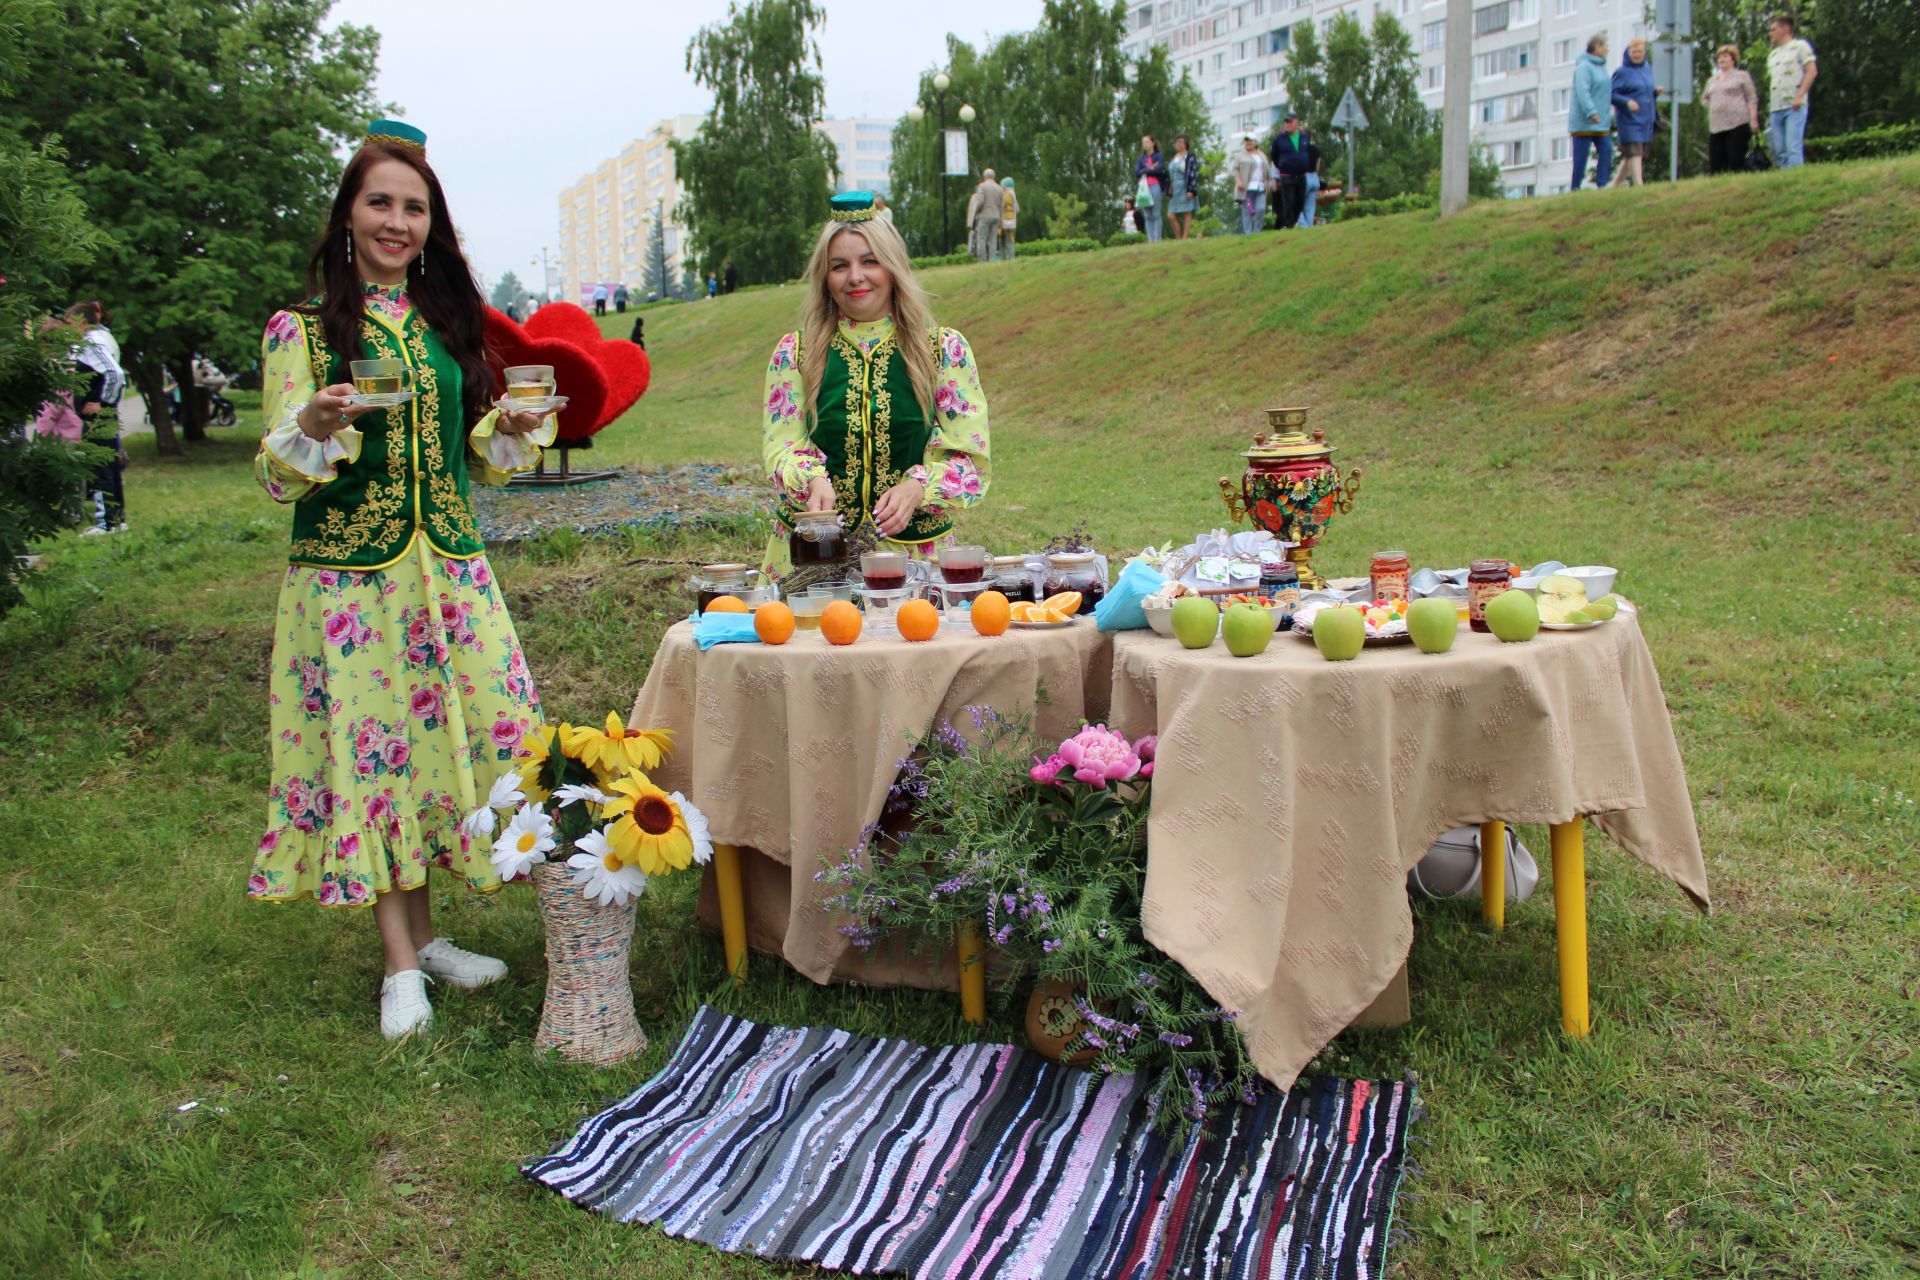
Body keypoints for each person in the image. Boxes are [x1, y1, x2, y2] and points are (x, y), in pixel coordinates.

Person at [247, 119, 556, 1040]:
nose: (397, 222)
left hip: (449, 572)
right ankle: (397, 967)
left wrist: (508, 429)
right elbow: (274, 472)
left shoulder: (440, 326)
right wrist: (311, 417)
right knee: (375, 750)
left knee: (452, 742)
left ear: (433, 225)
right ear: (347, 214)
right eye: (380, 202)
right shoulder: (300, 329)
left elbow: (471, 459)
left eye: (414, 208)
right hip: (351, 582)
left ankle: (426, 939)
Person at [758, 191, 990, 585]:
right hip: (813, 558)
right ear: (825, 277)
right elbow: (781, 449)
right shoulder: (795, 353)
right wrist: (811, 479)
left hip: (913, 560)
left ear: (893, 267)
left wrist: (918, 487)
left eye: (870, 261)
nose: (855, 277)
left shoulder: (943, 350)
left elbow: (970, 463)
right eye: (839, 266)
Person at [66, 301, 128, 534]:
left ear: (82, 321)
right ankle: (117, 518)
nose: (69, 328)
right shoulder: (101, 339)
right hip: (101, 415)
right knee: (110, 463)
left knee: (99, 464)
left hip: (98, 417)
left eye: (70, 323)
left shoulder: (91, 342)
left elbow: (114, 372)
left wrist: (103, 402)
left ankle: (106, 522)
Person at [1765, 13, 1817, 168]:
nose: (1770, 33)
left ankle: (1797, 179)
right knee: (1778, 149)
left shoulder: (1800, 46)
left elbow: (1811, 71)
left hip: (1794, 104)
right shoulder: (1773, 55)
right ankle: (1785, 179)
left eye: (1773, 29)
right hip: (1776, 107)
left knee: (1792, 147)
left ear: (1785, 29)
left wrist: (1800, 95)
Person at [1703, 45, 1762, 174]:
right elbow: (1705, 98)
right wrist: (1716, 106)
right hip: (1716, 125)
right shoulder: (1712, 80)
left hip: (1737, 122)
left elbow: (1752, 98)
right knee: (1716, 161)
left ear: (1733, 59)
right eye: (1719, 56)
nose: (1721, 59)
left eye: (1725, 56)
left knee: (1736, 159)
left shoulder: (1742, 76)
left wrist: (1753, 119)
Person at [1610, 38, 1660, 188]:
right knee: (1634, 151)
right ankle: (1639, 184)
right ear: (1628, 52)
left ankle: (1617, 184)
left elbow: (1645, 92)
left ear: (1644, 53)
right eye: (1634, 52)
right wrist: (1626, 102)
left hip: (1646, 117)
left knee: (1635, 153)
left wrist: (1655, 93)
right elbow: (1612, 94)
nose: (1637, 55)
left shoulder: (1647, 69)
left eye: (1640, 52)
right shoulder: (1621, 72)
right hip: (1628, 118)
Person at [1569, 34, 1615, 189]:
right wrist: (1591, 112)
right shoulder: (1584, 67)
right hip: (1584, 123)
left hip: (1601, 123)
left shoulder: (1601, 68)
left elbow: (1605, 94)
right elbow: (1583, 91)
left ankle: (1602, 184)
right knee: (1580, 160)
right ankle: (1575, 188)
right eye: (1605, 46)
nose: (1607, 49)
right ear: (1597, 47)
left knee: (1607, 151)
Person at [1269, 115, 1313, 229]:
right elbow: (1274, 155)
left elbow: (1307, 150)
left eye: (1290, 122)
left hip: (1301, 175)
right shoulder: (1279, 138)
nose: (1287, 124)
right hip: (1287, 175)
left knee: (1300, 201)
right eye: (1286, 122)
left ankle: (1293, 221)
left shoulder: (1304, 136)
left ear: (1297, 122)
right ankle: (1289, 225)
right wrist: (1283, 165)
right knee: (1289, 201)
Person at [1231, 133, 1271, 235]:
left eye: (1250, 140)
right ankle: (1248, 233)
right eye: (1246, 140)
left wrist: (1268, 184)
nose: (1248, 142)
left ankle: (1257, 231)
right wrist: (1239, 181)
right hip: (1247, 189)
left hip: (1261, 187)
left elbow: (1267, 171)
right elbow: (1235, 170)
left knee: (1261, 209)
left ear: (1256, 142)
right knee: (1247, 211)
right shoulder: (1240, 155)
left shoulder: (1262, 155)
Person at [1132, 136, 1168, 242]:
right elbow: (1137, 173)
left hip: (1155, 186)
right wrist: (1150, 168)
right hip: (1144, 188)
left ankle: (1158, 239)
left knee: (1156, 213)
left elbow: (1159, 170)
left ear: (1153, 143)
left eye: (1147, 142)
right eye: (1143, 142)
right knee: (1147, 215)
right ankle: (1150, 239)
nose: (1145, 144)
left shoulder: (1159, 156)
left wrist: (1145, 170)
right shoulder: (1141, 158)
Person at [1166, 134, 1200, 239]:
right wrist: (1169, 187)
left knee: (1187, 212)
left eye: (1180, 142)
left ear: (1186, 144)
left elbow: (1193, 173)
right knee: (1170, 215)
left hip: (1185, 187)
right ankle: (1178, 237)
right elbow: (1170, 174)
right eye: (1176, 142)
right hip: (1175, 188)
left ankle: (1185, 237)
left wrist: (1190, 189)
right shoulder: (1174, 158)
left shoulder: (1190, 157)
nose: (1178, 144)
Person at [968, 168, 1005, 262]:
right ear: (994, 176)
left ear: (984, 176)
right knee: (993, 239)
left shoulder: (982, 186)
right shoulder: (999, 188)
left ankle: (982, 260)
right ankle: (992, 259)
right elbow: (1002, 205)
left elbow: (980, 201)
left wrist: (977, 211)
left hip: (984, 215)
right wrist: (1001, 219)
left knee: (982, 238)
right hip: (996, 216)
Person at [1297, 134, 1324, 227]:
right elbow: (1317, 167)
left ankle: (1304, 227)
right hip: (1314, 178)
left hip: (1303, 177)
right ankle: (1309, 228)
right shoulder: (1316, 150)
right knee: (1310, 207)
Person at [999, 177, 1019, 259]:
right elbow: (1017, 209)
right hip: (1012, 221)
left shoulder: (1007, 194)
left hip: (1006, 220)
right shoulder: (1013, 194)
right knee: (1010, 240)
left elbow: (1002, 206)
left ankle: (1008, 258)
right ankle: (1010, 257)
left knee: (1007, 241)